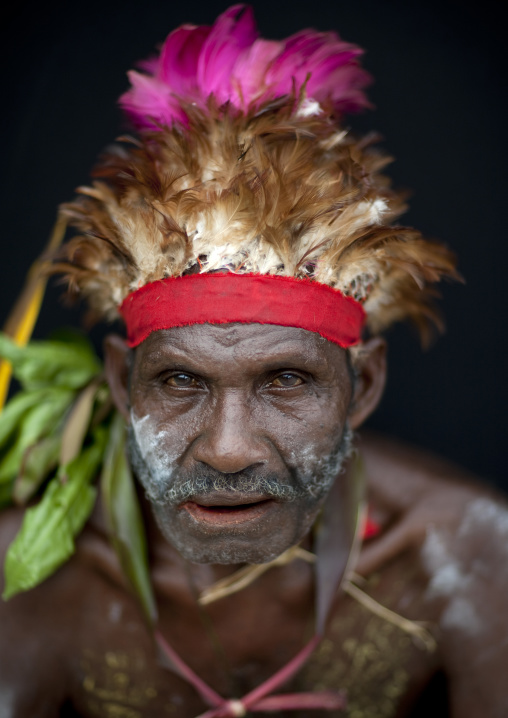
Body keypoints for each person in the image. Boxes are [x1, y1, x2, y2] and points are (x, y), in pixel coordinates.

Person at [0, 6, 507, 717]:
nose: (229, 448)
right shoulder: (33, 578)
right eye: (179, 381)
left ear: (362, 385)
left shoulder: (465, 558)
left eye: (287, 380)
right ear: (122, 382)